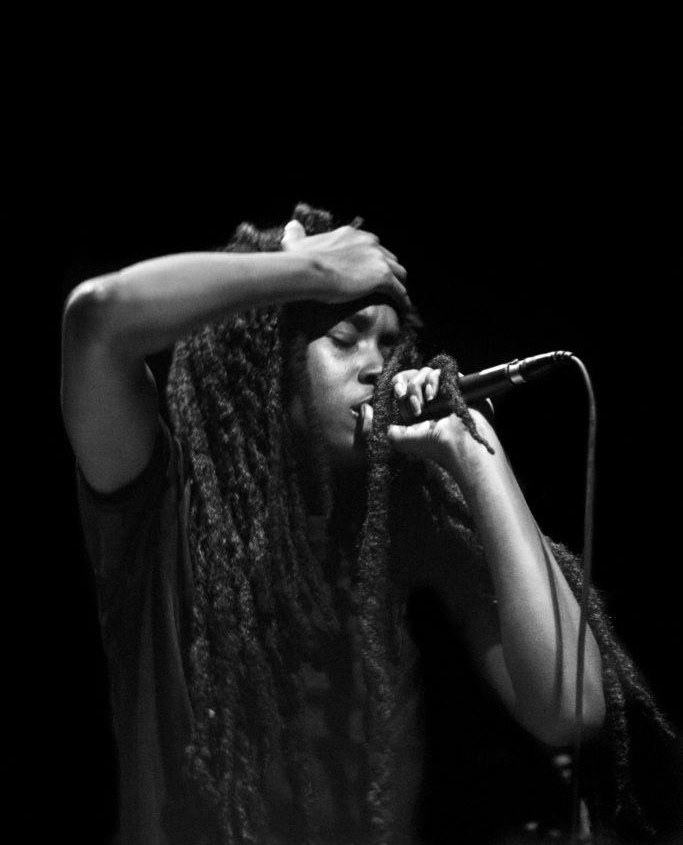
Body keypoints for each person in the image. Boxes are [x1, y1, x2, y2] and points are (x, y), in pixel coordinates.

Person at [61, 203, 677, 845]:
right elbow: (95, 320)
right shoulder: (162, 507)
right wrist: (311, 271)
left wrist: (474, 450)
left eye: (388, 344)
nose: (378, 366)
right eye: (346, 336)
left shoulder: (409, 528)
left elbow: (572, 707)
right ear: (270, 364)